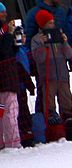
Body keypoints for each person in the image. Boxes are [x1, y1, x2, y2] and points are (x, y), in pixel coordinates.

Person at [31, 9, 72, 120]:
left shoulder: (58, 36)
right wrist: (42, 45)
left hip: (62, 76)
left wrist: (64, 42)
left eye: (53, 22)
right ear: (43, 24)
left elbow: (69, 54)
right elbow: (39, 58)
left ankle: (69, 126)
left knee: (67, 105)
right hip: (47, 78)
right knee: (49, 107)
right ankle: (53, 127)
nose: (53, 24)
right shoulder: (36, 39)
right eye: (50, 23)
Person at [0, 1, 22, 150]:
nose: (6, 15)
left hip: (7, 78)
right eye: (2, 12)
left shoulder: (4, 30)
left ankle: (5, 144)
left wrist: (16, 43)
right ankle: (13, 144)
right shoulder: (4, 32)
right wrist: (9, 36)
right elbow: (3, 52)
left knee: (3, 113)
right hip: (5, 79)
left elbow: (10, 52)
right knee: (9, 112)